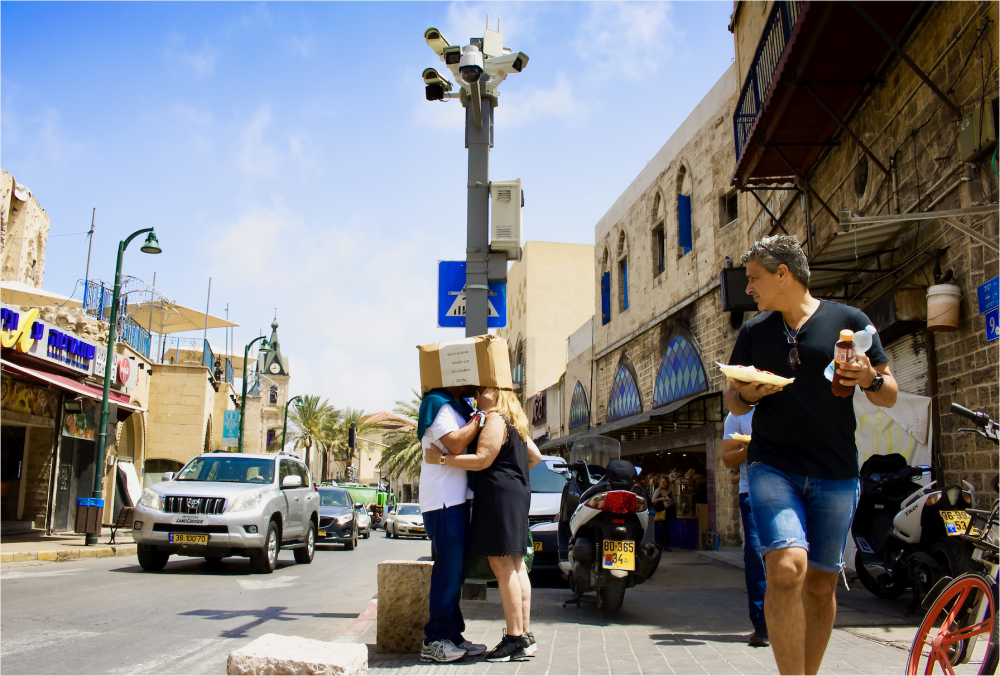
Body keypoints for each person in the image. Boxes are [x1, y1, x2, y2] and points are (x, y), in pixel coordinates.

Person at [726, 235, 897, 675]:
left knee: (821, 585)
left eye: (754, 279)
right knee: (786, 568)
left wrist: (868, 379)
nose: (749, 289)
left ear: (783, 274)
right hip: (771, 467)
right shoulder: (753, 332)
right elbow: (734, 402)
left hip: (835, 473)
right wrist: (746, 392)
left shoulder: (850, 321)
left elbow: (890, 393)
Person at [425, 387, 542, 663]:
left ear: (496, 394)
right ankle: (525, 637)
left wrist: (441, 459)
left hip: (499, 498)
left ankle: (514, 639)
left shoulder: (495, 418)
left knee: (502, 566)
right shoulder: (516, 420)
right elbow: (535, 457)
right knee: (516, 565)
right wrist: (514, 470)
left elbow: (481, 460)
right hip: (516, 495)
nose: (476, 396)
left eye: (482, 391)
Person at [416, 385, 488, 663]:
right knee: (447, 573)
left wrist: (475, 415)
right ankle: (435, 641)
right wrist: (478, 418)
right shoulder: (439, 403)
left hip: (456, 501)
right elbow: (456, 443)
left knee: (455, 573)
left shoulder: (459, 407)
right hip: (443, 502)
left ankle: (453, 636)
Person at [722, 409, 768, 648]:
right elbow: (728, 459)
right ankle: (761, 625)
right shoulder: (736, 415)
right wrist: (749, 449)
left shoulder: (787, 401)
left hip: (793, 490)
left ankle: (790, 617)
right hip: (751, 493)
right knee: (755, 556)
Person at [650, 475, 675, 551]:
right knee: (661, 530)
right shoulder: (658, 491)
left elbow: (675, 501)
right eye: (661, 482)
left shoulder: (670, 491)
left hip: (668, 513)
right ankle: (660, 545)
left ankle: (666, 546)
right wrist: (661, 499)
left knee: (668, 530)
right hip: (660, 513)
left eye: (664, 482)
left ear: (667, 483)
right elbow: (652, 500)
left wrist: (670, 502)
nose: (662, 483)